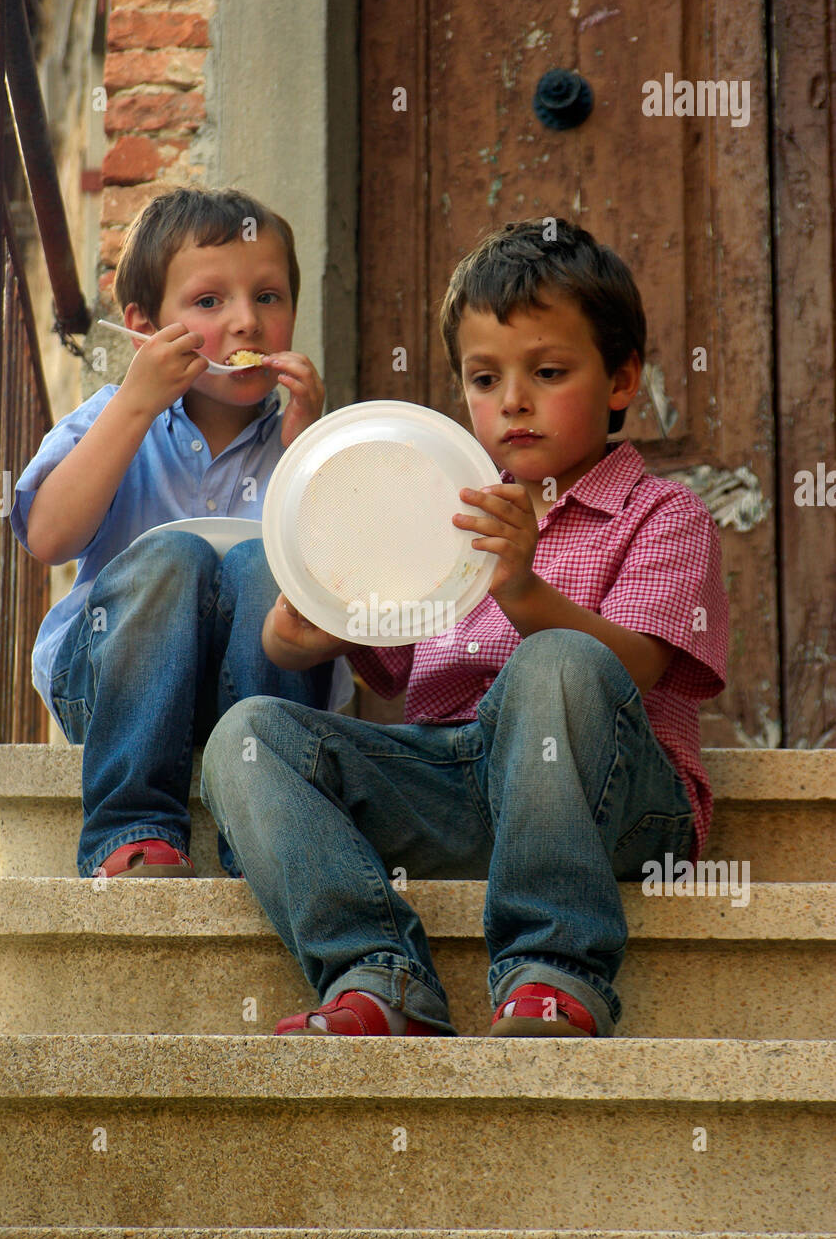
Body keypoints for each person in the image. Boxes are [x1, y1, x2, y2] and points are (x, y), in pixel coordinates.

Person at [200, 216, 729, 1038]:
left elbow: (634, 670)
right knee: (247, 735)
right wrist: (309, 632)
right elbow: (379, 644)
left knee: (558, 658)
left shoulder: (662, 513)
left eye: (547, 371)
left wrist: (523, 589)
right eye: (484, 380)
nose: (511, 401)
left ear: (622, 380)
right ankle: (379, 974)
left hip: (614, 799)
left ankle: (553, 968)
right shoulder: (437, 513)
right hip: (454, 783)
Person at [11, 187, 351, 879]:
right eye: (208, 302)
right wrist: (135, 404)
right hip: (117, 685)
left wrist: (309, 454)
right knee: (171, 553)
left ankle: (273, 823)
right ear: (142, 328)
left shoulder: (308, 442)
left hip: (258, 693)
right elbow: (47, 537)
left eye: (269, 297)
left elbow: (345, 590)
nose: (246, 322)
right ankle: (132, 830)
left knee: (267, 564)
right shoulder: (113, 415)